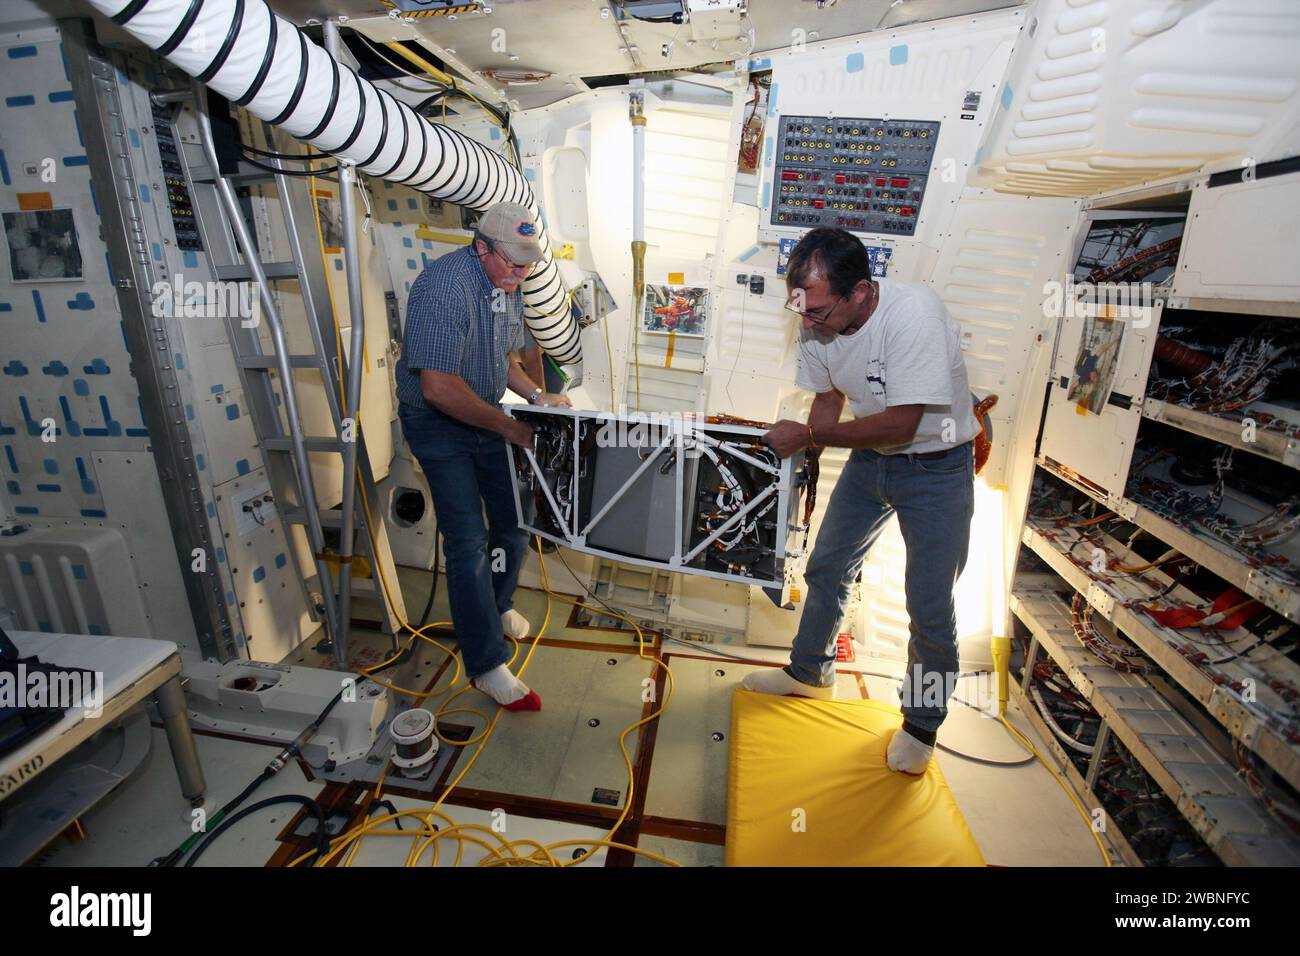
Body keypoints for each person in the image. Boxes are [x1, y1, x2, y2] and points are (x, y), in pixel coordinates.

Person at [743, 228, 980, 775]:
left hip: (938, 465)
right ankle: (809, 674)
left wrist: (806, 438)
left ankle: (922, 725)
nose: (806, 323)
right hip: (873, 461)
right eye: (799, 309)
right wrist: (810, 444)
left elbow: (903, 422)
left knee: (928, 602)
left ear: (861, 292)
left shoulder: (913, 315)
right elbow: (828, 398)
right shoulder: (815, 320)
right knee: (828, 566)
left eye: (819, 312)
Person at [394, 202, 570, 712]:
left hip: (485, 411)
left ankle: (495, 608)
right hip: (438, 421)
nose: (522, 271)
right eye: (512, 261)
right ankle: (484, 663)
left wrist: (537, 397)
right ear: (481, 247)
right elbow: (440, 390)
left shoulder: (508, 282)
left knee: (515, 519)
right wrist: (513, 429)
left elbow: (506, 359)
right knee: (468, 539)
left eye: (528, 261)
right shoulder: (443, 288)